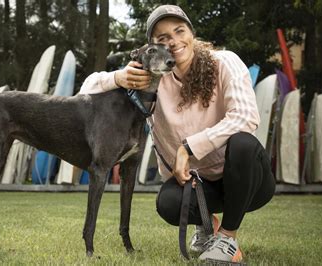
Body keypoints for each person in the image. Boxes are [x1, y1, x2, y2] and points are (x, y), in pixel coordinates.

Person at [79, 4, 275, 263]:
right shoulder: (153, 79)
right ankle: (207, 226)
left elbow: (246, 117)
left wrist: (189, 148)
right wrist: (119, 78)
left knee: (243, 143)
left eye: (179, 31)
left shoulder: (225, 61)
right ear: (154, 46)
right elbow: (85, 91)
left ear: (191, 33)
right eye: (163, 38)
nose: (174, 41)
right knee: (167, 203)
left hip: (248, 180)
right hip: (198, 183)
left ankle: (228, 238)